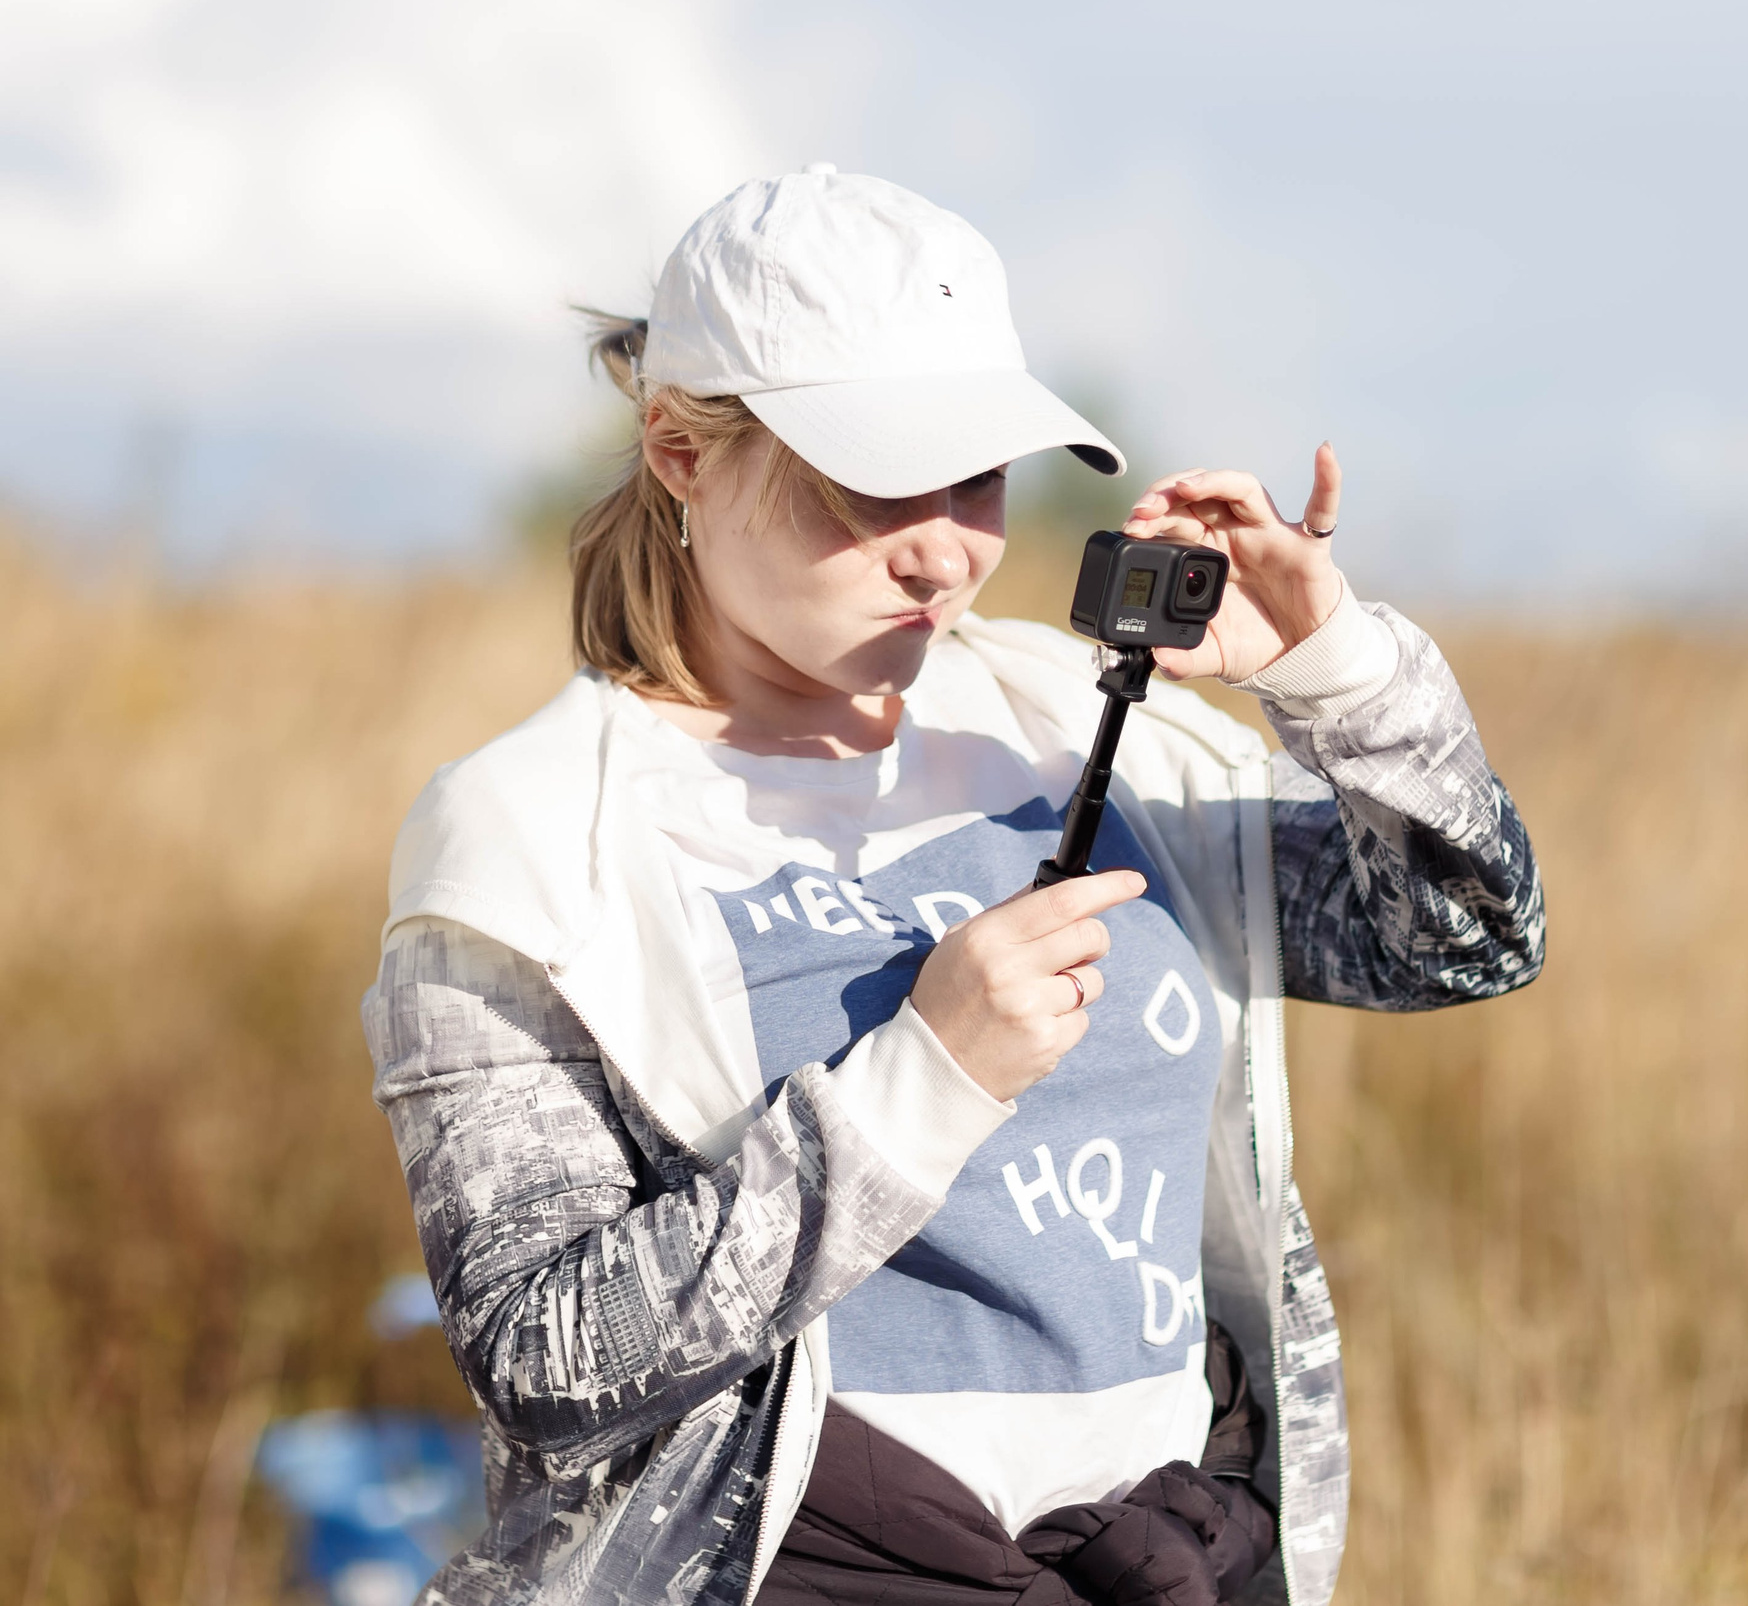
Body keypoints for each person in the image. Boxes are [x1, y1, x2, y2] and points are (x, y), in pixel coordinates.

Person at [361, 167, 1544, 1606]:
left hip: (1170, 1558)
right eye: (870, 487)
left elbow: (1464, 943)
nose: (944, 551)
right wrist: (927, 1074)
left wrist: (1334, 667)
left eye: (977, 477)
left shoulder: (1072, 721)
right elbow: (548, 1358)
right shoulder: (534, 837)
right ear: (678, 450)